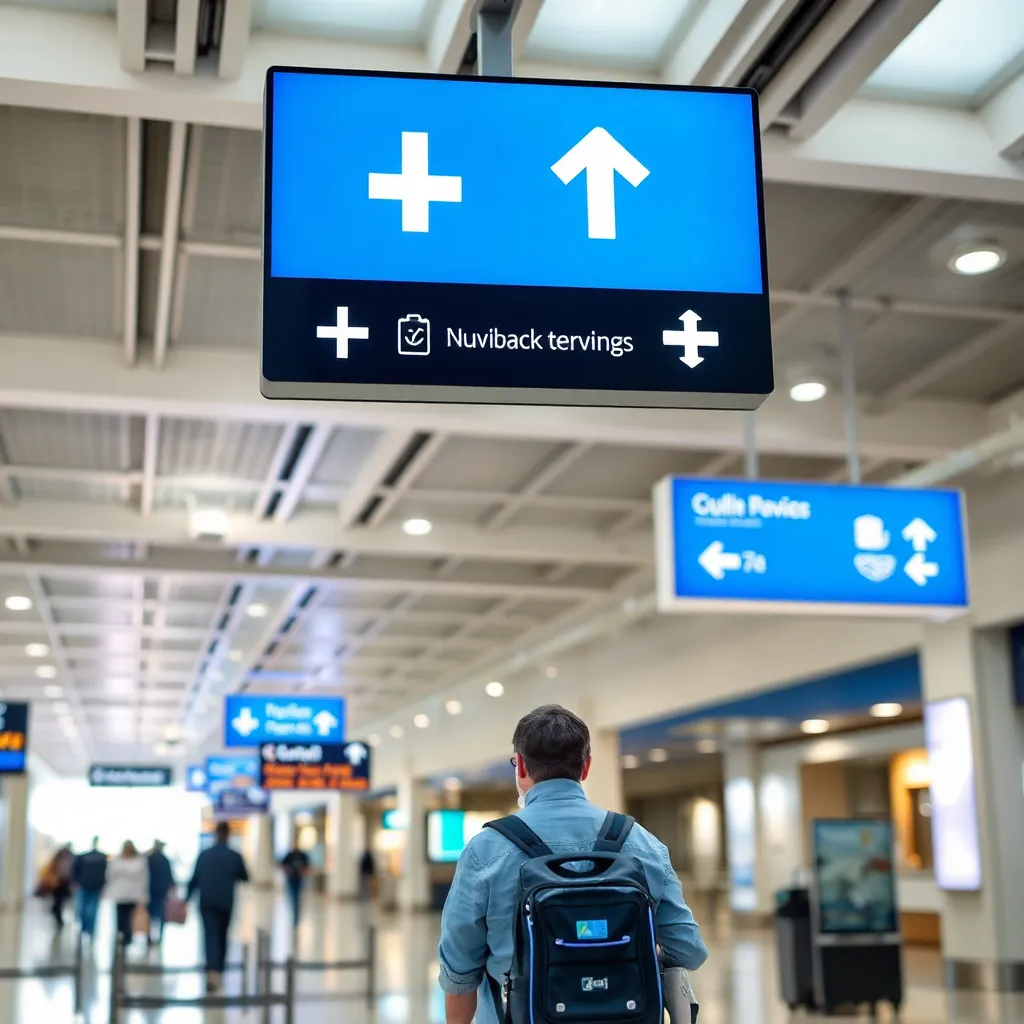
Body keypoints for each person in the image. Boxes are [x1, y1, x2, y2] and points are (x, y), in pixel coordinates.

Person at [438, 705, 708, 1024]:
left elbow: (459, 972)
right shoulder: (642, 843)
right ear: (586, 766)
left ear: (521, 765)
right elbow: (689, 950)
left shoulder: (486, 849)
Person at [186, 822, 249, 993]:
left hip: (207, 901)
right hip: (225, 901)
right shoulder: (235, 856)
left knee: (210, 935)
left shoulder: (204, 855)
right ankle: (218, 969)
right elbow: (245, 877)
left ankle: (212, 970)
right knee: (222, 935)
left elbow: (194, 879)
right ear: (228, 834)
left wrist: (186, 899)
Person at [106, 841, 149, 948]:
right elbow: (110, 876)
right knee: (121, 916)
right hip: (120, 894)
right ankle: (121, 935)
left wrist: (144, 894)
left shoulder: (139, 860)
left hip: (133, 894)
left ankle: (128, 936)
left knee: (130, 917)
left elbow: (144, 878)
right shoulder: (117, 860)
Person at [72, 837, 108, 939]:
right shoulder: (101, 857)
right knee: (89, 909)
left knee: (86, 908)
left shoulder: (85, 857)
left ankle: (87, 928)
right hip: (89, 886)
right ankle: (88, 929)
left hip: (88, 886)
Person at [146, 840, 175, 947]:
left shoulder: (148, 858)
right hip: (162, 890)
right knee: (161, 914)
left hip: (150, 889)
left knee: (149, 914)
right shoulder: (165, 859)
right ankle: (160, 936)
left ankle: (148, 936)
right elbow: (169, 875)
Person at [279, 843, 310, 928]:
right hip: (291, 879)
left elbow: (307, 866)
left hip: (299, 879)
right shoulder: (289, 855)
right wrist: (288, 870)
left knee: (297, 897)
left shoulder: (302, 855)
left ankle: (296, 916)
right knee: (292, 897)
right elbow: (282, 865)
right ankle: (293, 915)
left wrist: (303, 871)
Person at [46, 845, 74, 931]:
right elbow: (51, 870)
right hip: (57, 883)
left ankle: (59, 918)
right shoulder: (56, 859)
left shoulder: (71, 859)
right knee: (57, 902)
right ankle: (58, 918)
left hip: (65, 883)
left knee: (62, 901)